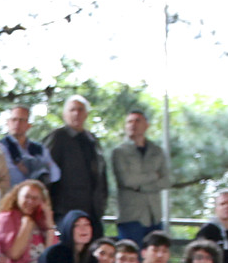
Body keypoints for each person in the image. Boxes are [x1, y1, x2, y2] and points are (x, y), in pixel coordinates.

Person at [109, 109, 171, 243]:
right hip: (131, 216)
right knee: (130, 253)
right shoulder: (119, 152)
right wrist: (154, 175)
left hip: (154, 215)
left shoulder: (157, 151)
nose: (133, 124)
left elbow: (166, 180)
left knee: (156, 252)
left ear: (146, 125)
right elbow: (127, 180)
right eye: (129, 121)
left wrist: (140, 187)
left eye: (137, 121)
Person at [44, 96, 106, 228]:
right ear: (64, 114)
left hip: (92, 210)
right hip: (64, 210)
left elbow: (101, 175)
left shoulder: (92, 140)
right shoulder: (58, 137)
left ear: (86, 114)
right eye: (72, 110)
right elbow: (46, 172)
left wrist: (101, 204)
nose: (76, 113)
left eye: (80, 110)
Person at [0, 179, 56, 263]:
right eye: (26, 197)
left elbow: (52, 255)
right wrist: (27, 224)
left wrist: (50, 226)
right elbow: (14, 254)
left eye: (35, 198)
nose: (30, 202)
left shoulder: (42, 220)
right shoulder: (6, 217)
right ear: (17, 197)